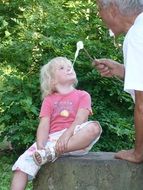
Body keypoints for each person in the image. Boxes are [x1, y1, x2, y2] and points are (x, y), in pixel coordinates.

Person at [11, 57, 102, 190]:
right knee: (21, 166)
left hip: (74, 139)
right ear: (52, 81)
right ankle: (48, 153)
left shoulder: (83, 95)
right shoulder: (49, 100)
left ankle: (52, 152)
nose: (68, 68)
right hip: (51, 140)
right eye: (61, 68)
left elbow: (80, 120)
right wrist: (41, 144)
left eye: (69, 66)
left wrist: (66, 136)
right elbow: (44, 124)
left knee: (94, 127)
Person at [93, 0, 143, 163]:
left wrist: (138, 153)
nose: (99, 15)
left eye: (99, 8)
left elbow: (142, 105)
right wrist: (122, 70)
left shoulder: (136, 35)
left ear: (113, 8)